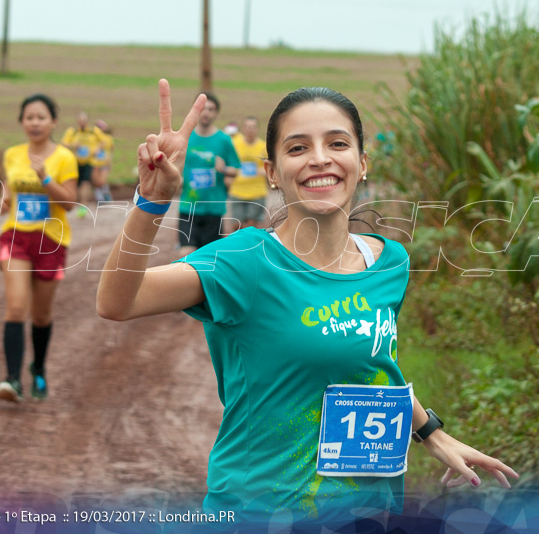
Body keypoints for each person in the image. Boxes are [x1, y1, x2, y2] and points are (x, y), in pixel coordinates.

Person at [97, 81, 517, 521]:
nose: (320, 158)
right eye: (298, 148)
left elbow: (370, 362)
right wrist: (152, 201)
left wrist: (431, 432)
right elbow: (118, 302)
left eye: (337, 143)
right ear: (272, 172)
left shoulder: (389, 262)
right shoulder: (244, 261)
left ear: (362, 162)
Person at [0, 94, 78, 402]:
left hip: (51, 241)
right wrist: (4, 198)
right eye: (29, 117)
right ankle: (12, 379)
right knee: (16, 307)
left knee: (41, 316)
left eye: (41, 117)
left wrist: (45, 177)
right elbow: (9, 185)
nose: (34, 122)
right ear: (21, 122)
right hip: (16, 235)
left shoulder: (64, 157)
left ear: (53, 122)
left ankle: (39, 368)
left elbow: (69, 203)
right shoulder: (13, 154)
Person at [176, 92, 240, 250]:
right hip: (188, 207)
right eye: (203, 109)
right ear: (196, 111)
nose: (206, 112)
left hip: (213, 208)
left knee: (208, 261)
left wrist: (224, 169)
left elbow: (236, 169)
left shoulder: (224, 140)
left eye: (211, 109)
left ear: (216, 113)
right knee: (186, 255)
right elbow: (175, 165)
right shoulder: (185, 137)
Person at [227, 116, 269, 231]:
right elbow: (228, 164)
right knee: (236, 226)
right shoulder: (234, 145)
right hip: (237, 191)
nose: (250, 130)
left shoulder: (263, 147)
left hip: (257, 192)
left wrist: (261, 171)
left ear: (257, 129)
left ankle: (252, 248)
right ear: (243, 129)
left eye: (253, 127)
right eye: (247, 127)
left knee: (252, 226)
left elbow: (270, 168)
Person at [61, 111, 100, 217]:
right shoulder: (72, 132)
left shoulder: (93, 131)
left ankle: (83, 205)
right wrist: (74, 145)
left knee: (85, 182)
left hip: (89, 161)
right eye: (81, 121)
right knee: (76, 184)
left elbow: (103, 142)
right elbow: (64, 143)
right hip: (74, 162)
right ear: (78, 121)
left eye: (84, 121)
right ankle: (77, 204)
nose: (82, 123)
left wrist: (96, 150)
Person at [92, 119, 114, 203]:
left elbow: (111, 150)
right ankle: (100, 198)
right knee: (96, 182)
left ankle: (105, 195)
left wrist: (110, 161)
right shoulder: (93, 138)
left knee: (102, 181)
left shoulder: (108, 138)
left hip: (104, 162)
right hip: (95, 163)